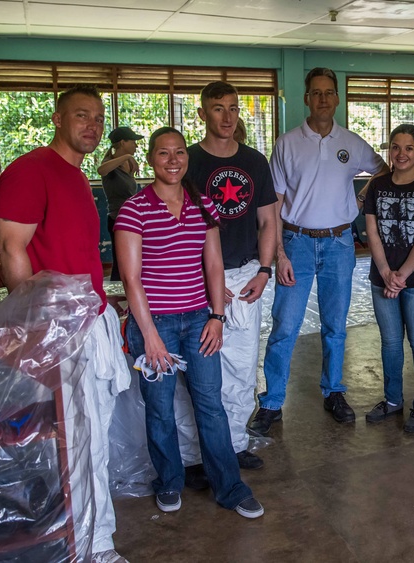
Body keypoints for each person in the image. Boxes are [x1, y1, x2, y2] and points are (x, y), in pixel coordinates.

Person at [0, 85, 130, 563]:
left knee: (93, 437)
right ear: (56, 117)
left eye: (97, 117)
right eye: (80, 115)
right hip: (59, 331)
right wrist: (38, 330)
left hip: (88, 321)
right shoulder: (30, 172)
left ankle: (96, 535)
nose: (91, 124)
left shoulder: (77, 176)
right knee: (78, 444)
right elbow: (11, 250)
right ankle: (92, 547)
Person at [114, 126, 264, 519]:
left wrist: (216, 317)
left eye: (179, 152)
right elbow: (131, 279)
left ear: (186, 157)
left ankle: (230, 487)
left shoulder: (203, 205)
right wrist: (149, 337)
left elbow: (213, 265)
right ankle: (168, 480)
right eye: (163, 154)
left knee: (210, 405)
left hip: (199, 319)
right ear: (150, 160)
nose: (173, 160)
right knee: (160, 408)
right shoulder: (135, 208)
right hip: (155, 325)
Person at [250, 67, 387, 434]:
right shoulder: (287, 143)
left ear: (338, 98)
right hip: (296, 243)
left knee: (335, 327)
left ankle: (334, 392)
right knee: (284, 327)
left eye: (329, 92)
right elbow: (275, 202)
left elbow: (384, 170)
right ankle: (273, 402)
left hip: (340, 244)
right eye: (316, 92)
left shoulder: (352, 142)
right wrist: (279, 254)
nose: (323, 99)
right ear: (306, 98)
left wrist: (361, 198)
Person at [182, 81, 277, 473]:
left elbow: (269, 220)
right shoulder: (186, 161)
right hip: (199, 278)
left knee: (241, 366)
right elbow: (180, 228)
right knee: (200, 372)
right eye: (218, 108)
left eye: (234, 108)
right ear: (203, 113)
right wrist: (206, 279)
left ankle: (235, 445)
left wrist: (265, 270)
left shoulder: (254, 161)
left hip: (244, 275)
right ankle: (196, 455)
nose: (227, 116)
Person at [362, 124, 414, 433]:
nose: (401, 154)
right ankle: (393, 399)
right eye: (395, 147)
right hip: (382, 276)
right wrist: (385, 273)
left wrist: (402, 276)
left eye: (408, 148)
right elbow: (371, 231)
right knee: (391, 342)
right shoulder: (378, 185)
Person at [99, 126, 143, 282]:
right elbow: (101, 170)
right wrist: (125, 157)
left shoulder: (130, 163)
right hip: (117, 218)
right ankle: (117, 299)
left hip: (132, 218)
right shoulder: (110, 163)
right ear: (123, 143)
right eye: (133, 142)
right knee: (120, 263)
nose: (135, 146)